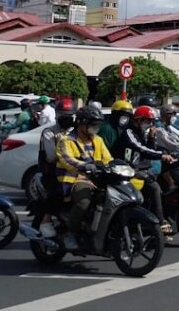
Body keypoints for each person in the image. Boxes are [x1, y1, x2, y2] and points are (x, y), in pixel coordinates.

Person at [55, 105, 114, 250]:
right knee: (84, 202)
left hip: (96, 179)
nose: (96, 128)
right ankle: (70, 233)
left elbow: (108, 158)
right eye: (93, 124)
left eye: (97, 125)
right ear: (82, 123)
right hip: (75, 179)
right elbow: (67, 160)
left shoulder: (98, 140)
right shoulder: (66, 140)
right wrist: (84, 166)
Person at [111, 105, 173, 235]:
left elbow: (147, 151)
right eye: (147, 121)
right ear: (138, 120)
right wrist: (161, 155)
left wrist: (151, 138)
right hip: (123, 171)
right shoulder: (129, 132)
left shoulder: (141, 133)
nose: (149, 124)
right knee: (154, 187)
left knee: (156, 184)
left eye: (151, 122)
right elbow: (141, 149)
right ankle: (161, 221)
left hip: (135, 169)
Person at [36, 105, 78, 238]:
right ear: (57, 115)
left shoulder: (74, 131)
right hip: (51, 172)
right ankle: (46, 221)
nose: (67, 119)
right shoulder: (49, 132)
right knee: (59, 190)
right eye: (64, 116)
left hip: (73, 170)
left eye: (70, 116)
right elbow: (53, 157)